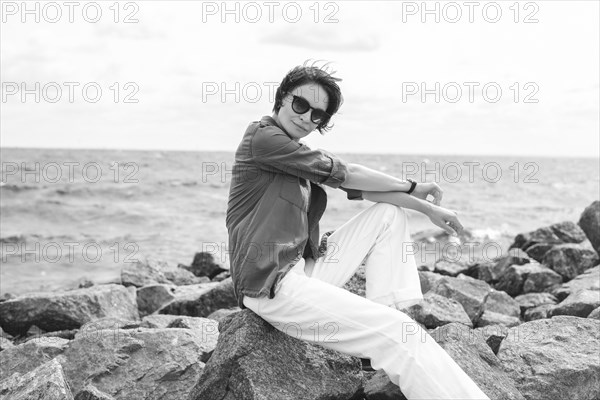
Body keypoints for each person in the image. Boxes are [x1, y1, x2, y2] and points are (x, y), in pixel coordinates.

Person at [225, 61, 490, 400]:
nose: (306, 117)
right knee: (402, 335)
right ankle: (387, 336)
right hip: (272, 287)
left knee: (388, 215)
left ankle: (381, 320)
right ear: (281, 97)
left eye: (318, 115)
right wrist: (412, 185)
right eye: (300, 104)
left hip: (304, 270)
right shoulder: (263, 140)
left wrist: (426, 207)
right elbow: (349, 174)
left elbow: (362, 190)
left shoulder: (294, 152)